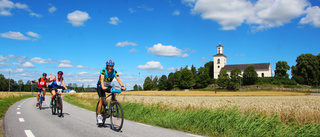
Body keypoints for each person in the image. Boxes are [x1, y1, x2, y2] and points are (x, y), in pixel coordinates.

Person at [96, 60, 126, 125]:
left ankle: (112, 105)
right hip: (100, 86)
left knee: (114, 90)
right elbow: (102, 79)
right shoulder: (103, 70)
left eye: (112, 66)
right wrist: (103, 86)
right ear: (106, 66)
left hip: (107, 86)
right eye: (109, 66)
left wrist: (122, 86)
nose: (110, 68)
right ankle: (99, 116)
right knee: (101, 99)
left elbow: (118, 79)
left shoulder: (114, 71)